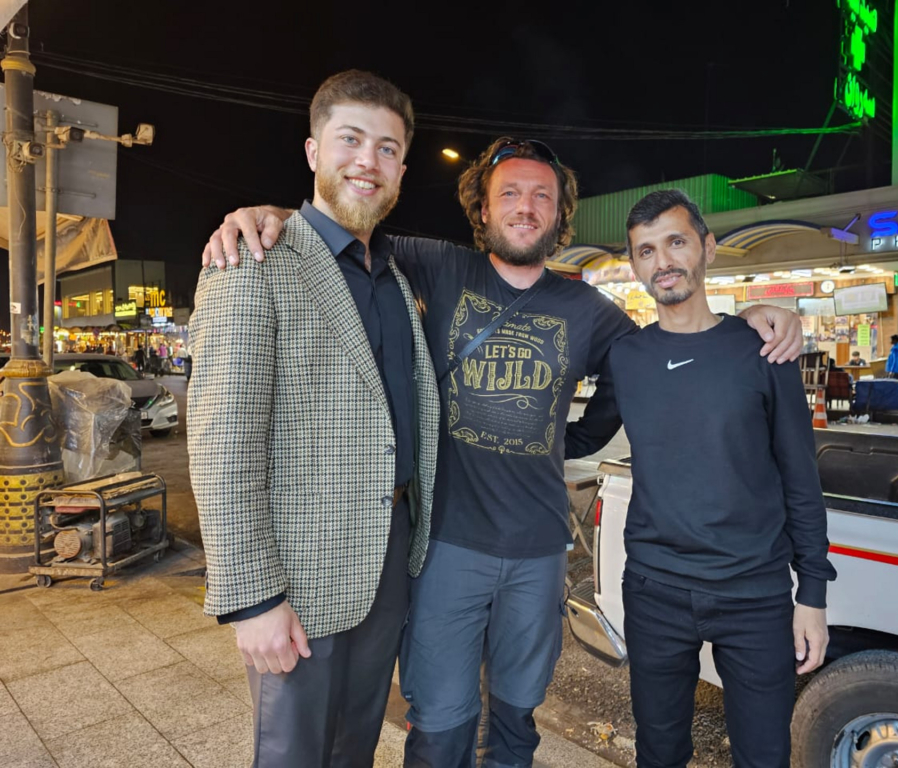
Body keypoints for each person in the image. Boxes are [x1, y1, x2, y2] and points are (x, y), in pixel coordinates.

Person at [203, 139, 804, 768]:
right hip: (446, 545)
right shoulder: (438, 265)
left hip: (539, 550)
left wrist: (756, 317)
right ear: (483, 211)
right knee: (440, 718)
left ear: (559, 213)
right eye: (509, 194)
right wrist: (267, 214)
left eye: (542, 195)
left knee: (518, 715)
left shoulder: (591, 312)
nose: (526, 207)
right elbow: (344, 225)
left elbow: (665, 352)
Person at [188, 70, 440, 768]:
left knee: (353, 748)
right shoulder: (253, 260)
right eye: (350, 139)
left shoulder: (395, 277)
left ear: (401, 169)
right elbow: (220, 442)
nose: (368, 160)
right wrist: (251, 598)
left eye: (387, 148)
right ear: (312, 152)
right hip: (296, 577)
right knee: (295, 755)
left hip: (388, 561)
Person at [609, 189, 836, 768]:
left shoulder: (764, 350)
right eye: (645, 251)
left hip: (754, 594)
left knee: (763, 755)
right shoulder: (625, 357)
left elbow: (800, 479)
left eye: (676, 242)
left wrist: (812, 594)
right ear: (634, 266)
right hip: (655, 590)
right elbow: (574, 432)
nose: (662, 262)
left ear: (707, 248)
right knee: (659, 750)